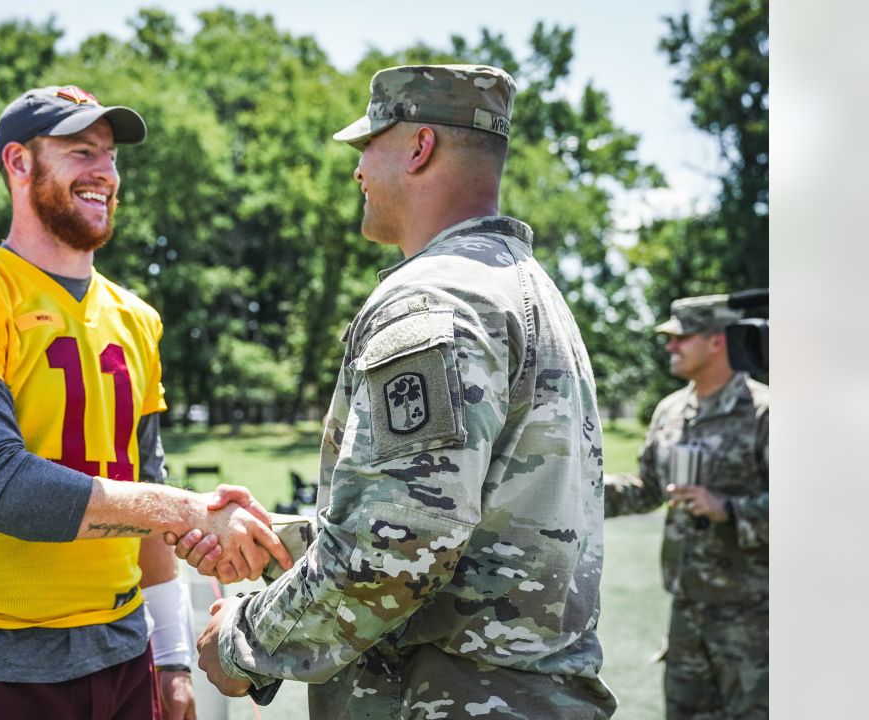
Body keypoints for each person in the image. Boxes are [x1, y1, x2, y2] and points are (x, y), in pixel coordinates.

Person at [188, 64, 617, 718]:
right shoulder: (522, 288)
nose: (358, 169)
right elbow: (472, 514)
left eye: (368, 145)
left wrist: (244, 640)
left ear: (419, 148)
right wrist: (282, 543)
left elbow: (398, 546)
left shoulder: (435, 297)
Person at [0, 83, 291, 720]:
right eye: (81, 152)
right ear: (19, 163)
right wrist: (193, 510)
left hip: (122, 651)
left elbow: (146, 489)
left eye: (110, 156)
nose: (105, 172)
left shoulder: (137, 318)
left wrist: (172, 658)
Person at [603, 295, 768, 719]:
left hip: (754, 615)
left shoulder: (766, 412)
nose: (670, 347)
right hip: (686, 609)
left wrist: (729, 508)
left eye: (681, 338)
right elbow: (648, 488)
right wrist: (580, 490)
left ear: (717, 342)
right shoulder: (670, 411)